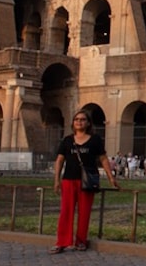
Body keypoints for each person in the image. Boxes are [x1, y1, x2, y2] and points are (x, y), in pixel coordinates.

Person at [50, 109, 119, 254]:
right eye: (76, 119)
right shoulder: (67, 140)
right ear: (73, 123)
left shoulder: (95, 140)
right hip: (69, 180)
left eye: (82, 119)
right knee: (66, 212)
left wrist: (111, 177)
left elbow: (103, 159)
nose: (79, 122)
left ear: (88, 123)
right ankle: (62, 242)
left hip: (87, 181)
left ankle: (81, 241)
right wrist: (56, 180)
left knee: (84, 212)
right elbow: (60, 160)